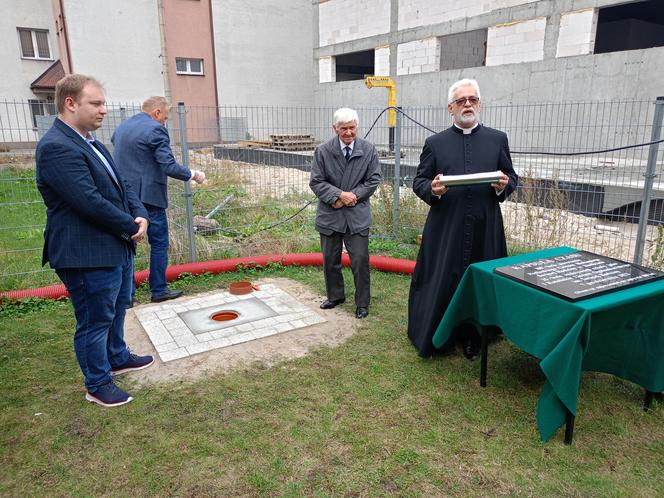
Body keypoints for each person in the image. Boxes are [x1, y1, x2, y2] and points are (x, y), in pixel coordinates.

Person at [36, 74, 154, 407]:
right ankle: (97, 383)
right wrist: (130, 225)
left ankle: (116, 356)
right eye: (96, 103)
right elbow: (87, 201)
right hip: (85, 253)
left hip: (112, 246)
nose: (104, 110)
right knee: (94, 319)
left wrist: (140, 212)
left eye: (104, 103)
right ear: (70, 104)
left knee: (116, 308)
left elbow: (122, 186)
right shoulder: (57, 146)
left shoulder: (93, 142)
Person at [407, 78, 518, 359]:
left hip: (485, 226)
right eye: (461, 101)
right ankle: (440, 334)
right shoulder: (435, 143)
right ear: (450, 108)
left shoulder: (497, 139)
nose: (467, 104)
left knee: (479, 280)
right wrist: (432, 189)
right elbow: (419, 181)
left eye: (473, 99)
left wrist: (505, 184)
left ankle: (474, 336)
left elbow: (512, 176)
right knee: (443, 279)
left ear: (479, 104)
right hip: (447, 226)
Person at [111, 96, 206, 303]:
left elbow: (127, 152)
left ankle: (126, 297)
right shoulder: (155, 129)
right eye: (165, 117)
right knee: (159, 243)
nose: (165, 121)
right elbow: (168, 165)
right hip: (148, 198)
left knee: (127, 244)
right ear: (157, 113)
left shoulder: (123, 127)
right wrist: (193, 174)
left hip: (123, 195)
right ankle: (159, 290)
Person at [309, 108, 382, 319]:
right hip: (330, 214)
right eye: (344, 129)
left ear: (357, 127)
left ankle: (362, 303)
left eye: (352, 128)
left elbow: (373, 179)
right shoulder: (322, 151)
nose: (349, 133)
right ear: (335, 128)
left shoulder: (368, 150)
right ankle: (335, 296)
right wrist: (338, 196)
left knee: (360, 260)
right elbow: (316, 181)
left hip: (356, 213)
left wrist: (353, 196)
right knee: (330, 259)